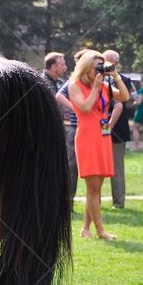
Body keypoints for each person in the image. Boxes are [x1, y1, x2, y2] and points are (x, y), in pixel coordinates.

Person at [63, 50, 129, 240]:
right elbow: (84, 107)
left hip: (103, 137)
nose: (99, 70)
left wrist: (115, 75)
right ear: (86, 66)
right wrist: (95, 88)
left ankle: (85, 229)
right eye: (96, 66)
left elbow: (124, 97)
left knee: (97, 187)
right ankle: (100, 231)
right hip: (87, 138)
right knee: (93, 188)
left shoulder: (104, 85)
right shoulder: (74, 85)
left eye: (102, 65)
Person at [103, 50, 132, 209]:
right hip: (97, 129)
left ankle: (118, 202)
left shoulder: (124, 81)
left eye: (107, 62)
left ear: (116, 64)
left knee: (116, 169)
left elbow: (122, 101)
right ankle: (96, 201)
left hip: (117, 131)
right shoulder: (96, 79)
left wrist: (114, 77)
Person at [51, 50, 80, 208]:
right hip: (66, 130)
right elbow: (58, 98)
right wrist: (77, 109)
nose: (66, 67)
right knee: (70, 166)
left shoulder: (58, 82)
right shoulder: (71, 82)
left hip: (62, 129)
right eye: (62, 64)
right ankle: (65, 202)